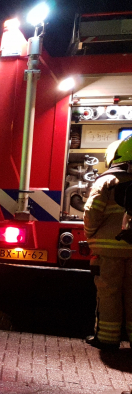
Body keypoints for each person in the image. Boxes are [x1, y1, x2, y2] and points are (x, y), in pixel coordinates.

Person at [84, 137, 132, 353]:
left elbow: (91, 212)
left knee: (109, 292)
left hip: (109, 248)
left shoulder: (108, 180)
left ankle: (107, 339)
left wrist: (91, 236)